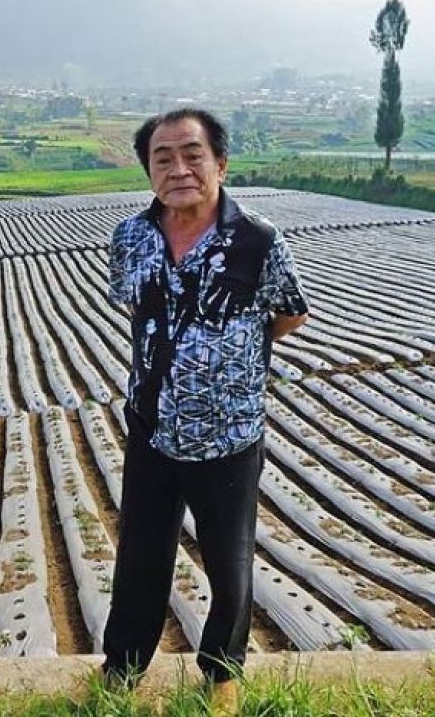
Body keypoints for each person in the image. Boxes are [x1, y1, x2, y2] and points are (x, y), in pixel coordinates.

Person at [101, 108, 309, 707]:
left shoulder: (257, 241)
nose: (179, 168)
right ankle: (121, 674)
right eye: (162, 158)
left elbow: (289, 312)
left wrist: (230, 356)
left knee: (228, 563)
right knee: (140, 557)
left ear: (220, 163)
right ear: (147, 171)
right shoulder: (130, 238)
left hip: (228, 436)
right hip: (151, 427)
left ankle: (222, 680)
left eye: (193, 155)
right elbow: (136, 309)